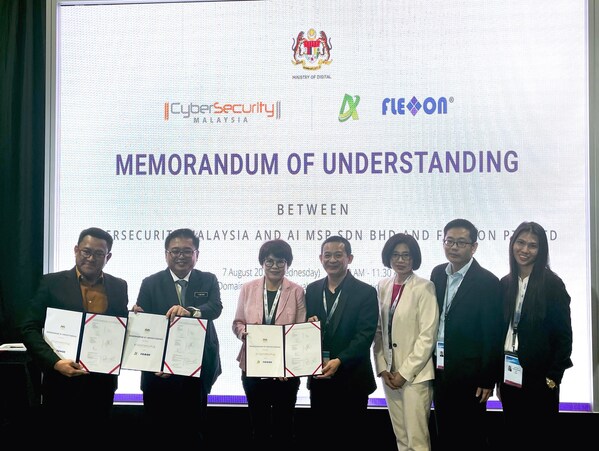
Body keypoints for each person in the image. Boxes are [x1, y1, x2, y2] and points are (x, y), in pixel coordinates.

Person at [19, 227, 129, 442]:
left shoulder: (119, 286)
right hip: (60, 383)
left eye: (99, 254)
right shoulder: (51, 283)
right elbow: (28, 327)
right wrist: (54, 363)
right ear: (76, 250)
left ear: (108, 257)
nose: (91, 258)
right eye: (86, 251)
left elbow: (120, 326)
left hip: (101, 385)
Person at [132, 228, 222, 447]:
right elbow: (145, 324)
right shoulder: (150, 282)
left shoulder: (208, 280)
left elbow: (215, 308)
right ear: (166, 254)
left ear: (196, 254)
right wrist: (137, 317)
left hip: (196, 368)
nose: (181, 256)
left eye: (187, 251)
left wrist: (190, 311)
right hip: (159, 373)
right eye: (175, 251)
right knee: (158, 431)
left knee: (193, 431)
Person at [497, 221, 572, 450]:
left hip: (541, 379)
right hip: (511, 376)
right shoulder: (505, 283)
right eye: (520, 243)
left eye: (533, 245)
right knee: (514, 436)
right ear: (512, 244)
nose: (525, 250)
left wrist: (553, 377)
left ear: (541, 251)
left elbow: (564, 335)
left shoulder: (552, 284)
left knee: (540, 439)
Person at [429, 219, 503, 451]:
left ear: (474, 247)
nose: (453, 247)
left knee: (471, 435)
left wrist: (487, 378)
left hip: (471, 375)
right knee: (444, 432)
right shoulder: (438, 273)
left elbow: (492, 333)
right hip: (440, 370)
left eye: (461, 242)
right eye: (449, 241)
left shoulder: (487, 282)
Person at [305, 235, 379, 449]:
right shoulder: (311, 289)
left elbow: (365, 335)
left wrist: (340, 360)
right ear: (320, 258)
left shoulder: (365, 292)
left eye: (339, 255)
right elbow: (304, 329)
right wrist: (308, 325)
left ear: (350, 258)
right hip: (320, 379)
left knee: (352, 439)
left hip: (352, 379)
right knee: (322, 437)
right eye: (327, 255)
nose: (332, 260)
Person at [232, 239, 306, 450]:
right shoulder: (248, 288)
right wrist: (243, 332)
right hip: (253, 368)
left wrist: (289, 366)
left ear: (287, 263)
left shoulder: (297, 291)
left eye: (280, 261)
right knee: (259, 426)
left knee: (284, 427)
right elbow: (237, 323)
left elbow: (299, 332)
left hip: (285, 372)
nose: (274, 266)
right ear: (262, 263)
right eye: (269, 261)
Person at [373, 233, 439, 451]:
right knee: (400, 437)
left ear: (414, 258)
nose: (400, 260)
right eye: (395, 255)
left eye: (406, 256)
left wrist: (404, 372)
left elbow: (427, 336)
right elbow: (379, 331)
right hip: (389, 374)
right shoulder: (383, 285)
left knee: (417, 440)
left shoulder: (424, 287)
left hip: (415, 376)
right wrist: (382, 368)